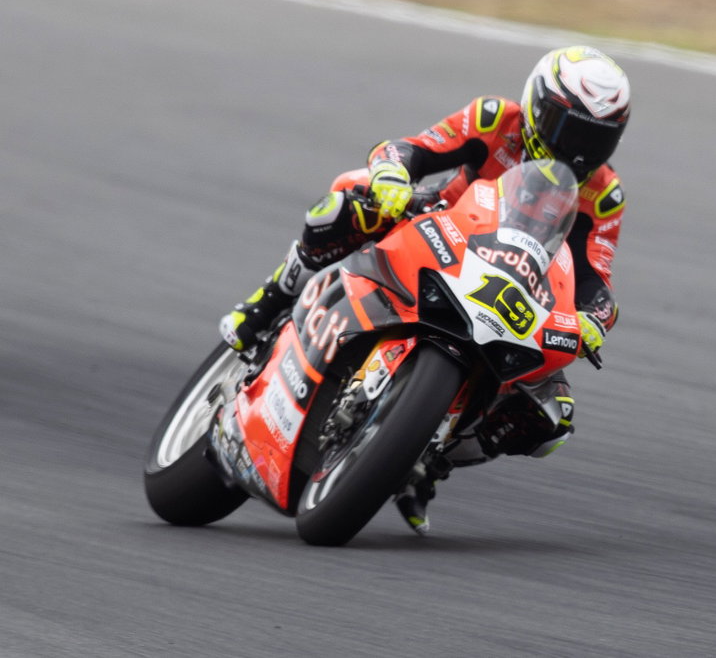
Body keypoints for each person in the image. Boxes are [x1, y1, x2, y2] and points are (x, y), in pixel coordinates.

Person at [218, 44, 631, 532]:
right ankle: (271, 301)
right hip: (441, 227)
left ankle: (429, 461)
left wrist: (594, 318)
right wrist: (392, 173)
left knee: (550, 417)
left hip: (513, 288)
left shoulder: (604, 194)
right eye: (570, 130)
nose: (579, 150)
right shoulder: (495, 119)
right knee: (351, 204)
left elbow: (594, 277)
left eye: (597, 139)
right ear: (538, 107)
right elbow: (412, 149)